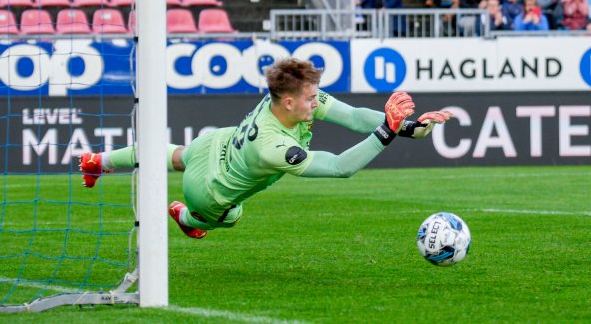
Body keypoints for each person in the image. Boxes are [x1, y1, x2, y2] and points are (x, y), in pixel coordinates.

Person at [79, 58, 452, 238]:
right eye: (309, 97)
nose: (315, 101)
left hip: (214, 143)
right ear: (289, 102)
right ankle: (186, 218)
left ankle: (99, 161)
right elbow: (339, 166)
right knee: (229, 216)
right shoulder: (274, 147)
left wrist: (408, 127)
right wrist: (387, 132)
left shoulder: (287, 99)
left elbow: (354, 117)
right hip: (209, 191)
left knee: (175, 155)